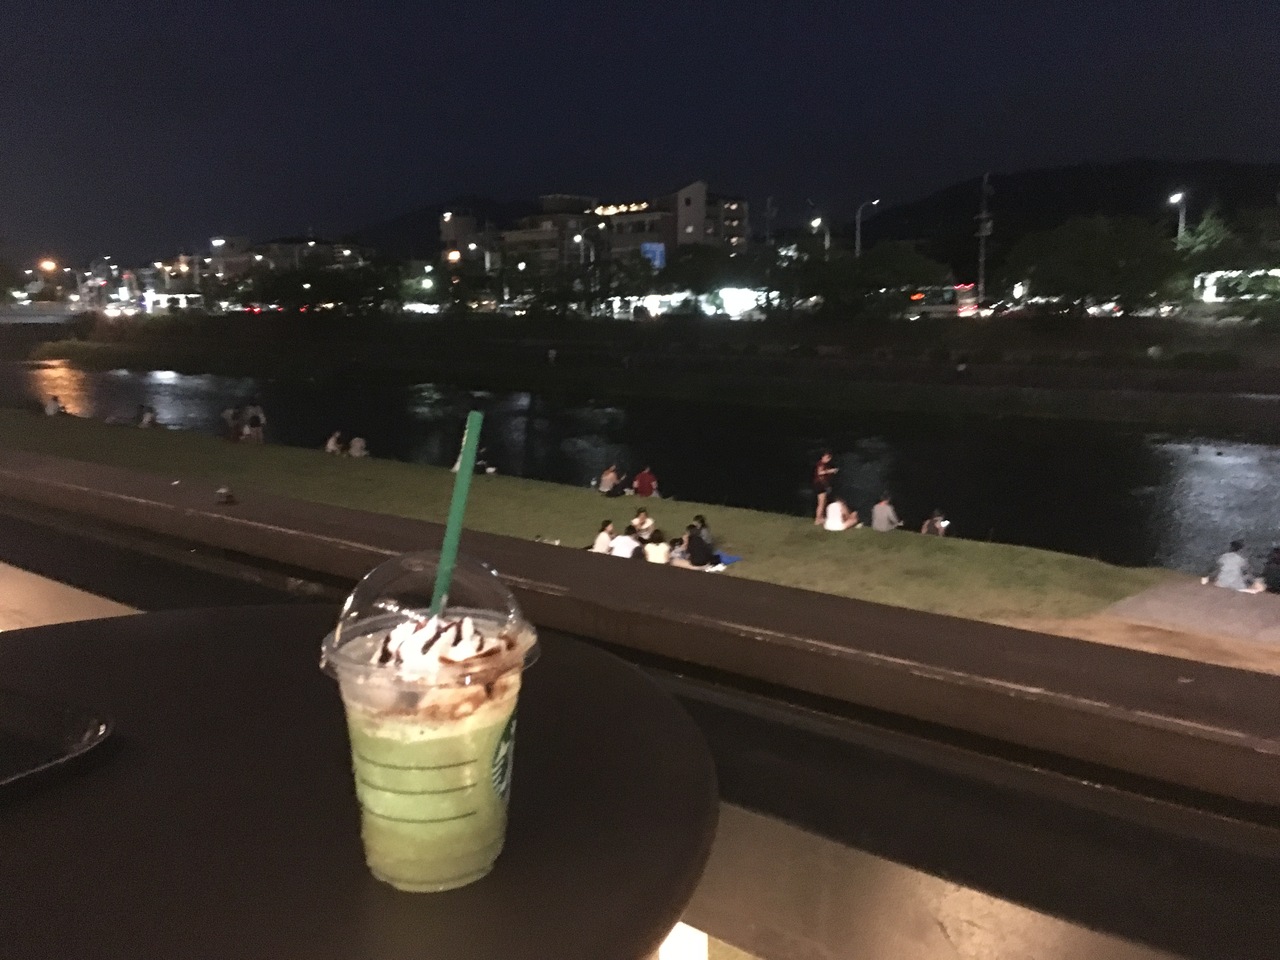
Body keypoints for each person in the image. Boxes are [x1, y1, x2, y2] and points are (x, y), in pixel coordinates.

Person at [812, 452, 838, 526]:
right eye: (827, 457)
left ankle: (821, 517)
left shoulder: (825, 465)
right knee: (821, 503)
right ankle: (818, 519)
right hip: (819, 485)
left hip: (822, 485)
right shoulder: (821, 464)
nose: (828, 460)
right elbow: (820, 473)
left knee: (823, 502)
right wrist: (830, 471)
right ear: (823, 457)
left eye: (829, 458)